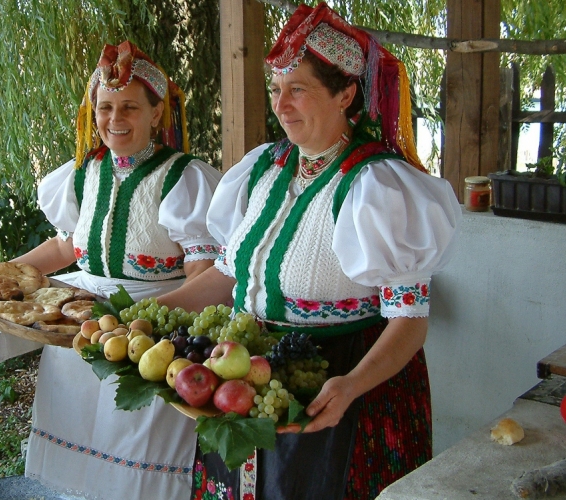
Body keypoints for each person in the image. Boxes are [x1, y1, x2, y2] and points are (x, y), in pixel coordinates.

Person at [158, 3, 462, 499]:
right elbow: (228, 275)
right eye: (276, 89)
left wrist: (351, 386)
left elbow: (410, 320)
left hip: (338, 388)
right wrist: (139, 315)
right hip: (243, 373)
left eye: (298, 89)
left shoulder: (378, 186)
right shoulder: (263, 170)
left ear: (345, 93)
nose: (281, 105)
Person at [0, 41, 222, 499]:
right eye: (105, 107)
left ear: (157, 113)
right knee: (70, 452)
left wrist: (170, 335)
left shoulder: (183, 178)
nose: (114, 119)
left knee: (136, 454)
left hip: (147, 330)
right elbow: (64, 246)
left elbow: (202, 273)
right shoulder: (82, 172)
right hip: (77, 326)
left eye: (129, 106)